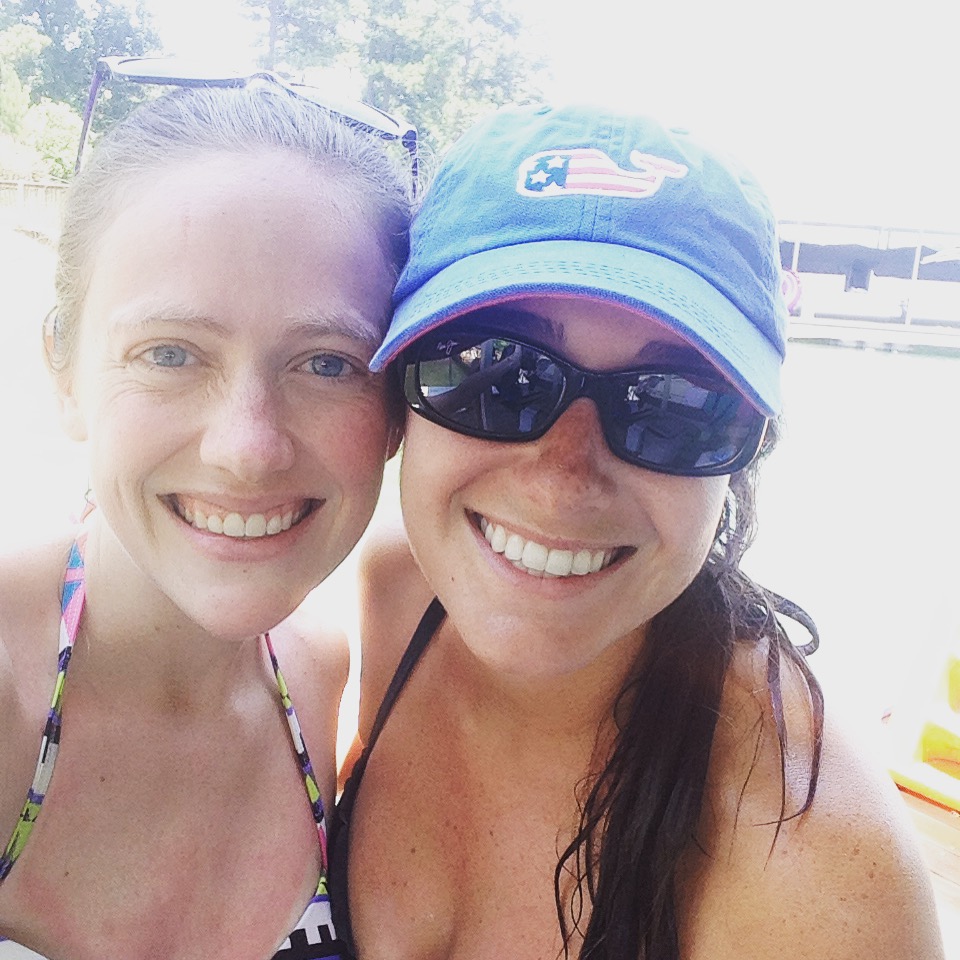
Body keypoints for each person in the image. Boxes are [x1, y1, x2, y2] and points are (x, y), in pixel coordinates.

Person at [333, 104, 945, 959]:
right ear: (401, 391)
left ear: (745, 453)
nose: (562, 479)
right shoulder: (402, 590)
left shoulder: (823, 875)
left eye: (675, 405)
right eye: (497, 373)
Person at [0, 65, 412, 959]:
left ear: (395, 413)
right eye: (170, 353)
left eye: (329, 363)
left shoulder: (322, 673)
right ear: (64, 372)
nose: (248, 449)